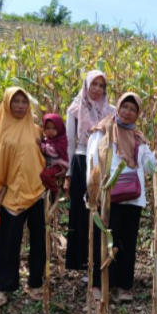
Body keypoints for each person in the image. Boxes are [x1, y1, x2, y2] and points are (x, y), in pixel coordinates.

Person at [0, 87, 47, 309]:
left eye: (24, 102)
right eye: (15, 101)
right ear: (7, 104)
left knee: (39, 242)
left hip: (36, 192)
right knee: (8, 243)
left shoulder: (36, 130)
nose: (20, 106)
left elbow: (48, 154)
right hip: (11, 196)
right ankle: (2, 288)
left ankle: (36, 283)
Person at [87, 92, 157, 301]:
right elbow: (92, 162)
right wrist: (93, 192)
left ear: (138, 114)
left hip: (133, 198)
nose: (128, 112)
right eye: (124, 107)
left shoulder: (138, 137)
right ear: (117, 107)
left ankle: (123, 285)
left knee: (127, 241)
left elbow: (150, 167)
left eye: (133, 109)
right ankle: (99, 284)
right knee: (105, 240)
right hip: (107, 195)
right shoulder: (102, 131)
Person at [65, 70, 115, 272]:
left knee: (101, 213)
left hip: (102, 165)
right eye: (94, 84)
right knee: (81, 212)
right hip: (81, 161)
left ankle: (98, 260)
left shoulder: (111, 111)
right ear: (86, 85)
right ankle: (81, 261)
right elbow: (70, 142)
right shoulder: (75, 109)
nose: (97, 89)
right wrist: (68, 174)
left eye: (102, 86)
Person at [40, 113, 69, 200]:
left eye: (54, 128)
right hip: (50, 164)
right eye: (48, 128)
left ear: (59, 129)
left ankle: (54, 191)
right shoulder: (46, 139)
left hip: (59, 165)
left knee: (45, 175)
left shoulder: (62, 139)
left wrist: (41, 145)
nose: (50, 131)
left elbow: (54, 152)